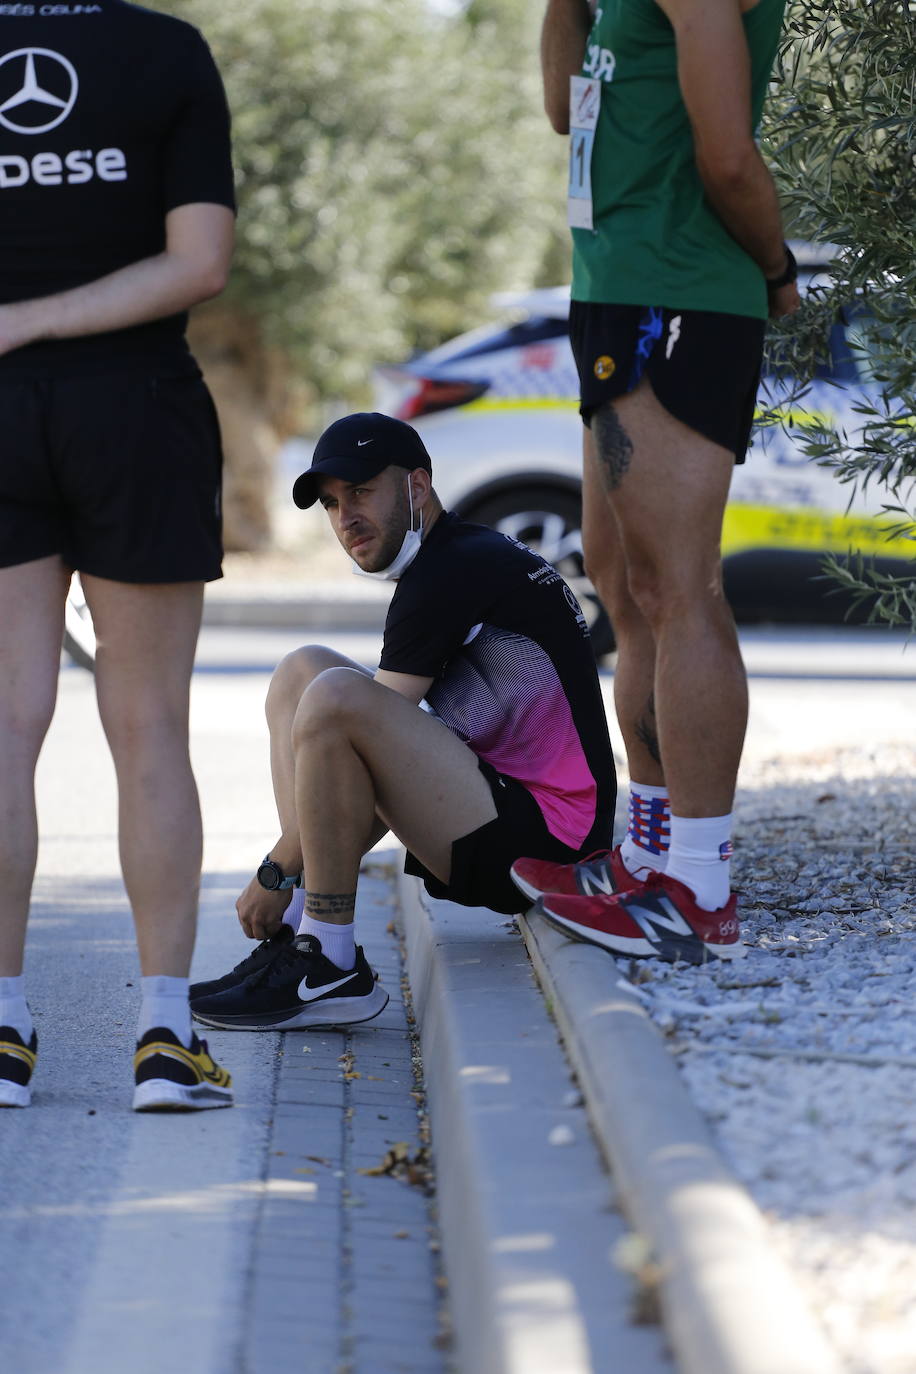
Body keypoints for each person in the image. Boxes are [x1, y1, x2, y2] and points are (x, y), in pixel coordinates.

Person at [510, 0, 800, 964]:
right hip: (613, 284)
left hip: (681, 293)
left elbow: (726, 158)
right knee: (629, 589)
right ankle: (649, 851)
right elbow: (564, 109)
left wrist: (775, 265)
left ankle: (698, 891)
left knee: (681, 587)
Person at [189, 412, 616, 1031]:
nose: (345, 519)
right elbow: (352, 783)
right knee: (303, 673)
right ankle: (308, 940)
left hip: (550, 847)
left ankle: (328, 954)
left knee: (335, 700)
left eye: (361, 492)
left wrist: (277, 870)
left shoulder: (450, 570)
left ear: (417, 486)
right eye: (332, 505)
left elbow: (354, 756)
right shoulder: (459, 555)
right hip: (508, 810)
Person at [0, 3, 236, 1110]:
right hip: (136, 405)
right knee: (148, 726)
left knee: (3, 724)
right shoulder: (163, 49)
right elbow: (200, 264)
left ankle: (0, 1030)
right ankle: (161, 1036)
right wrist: (46, 318)